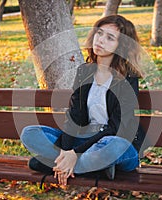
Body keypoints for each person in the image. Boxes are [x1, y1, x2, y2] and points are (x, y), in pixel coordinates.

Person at [20, 15, 145, 186]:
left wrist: (75, 153)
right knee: (30, 133)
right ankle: (91, 167)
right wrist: (67, 150)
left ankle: (57, 164)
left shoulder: (128, 79)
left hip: (119, 145)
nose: (100, 40)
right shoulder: (84, 72)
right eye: (99, 33)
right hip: (85, 140)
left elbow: (116, 128)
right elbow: (74, 116)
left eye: (110, 38)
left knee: (112, 145)